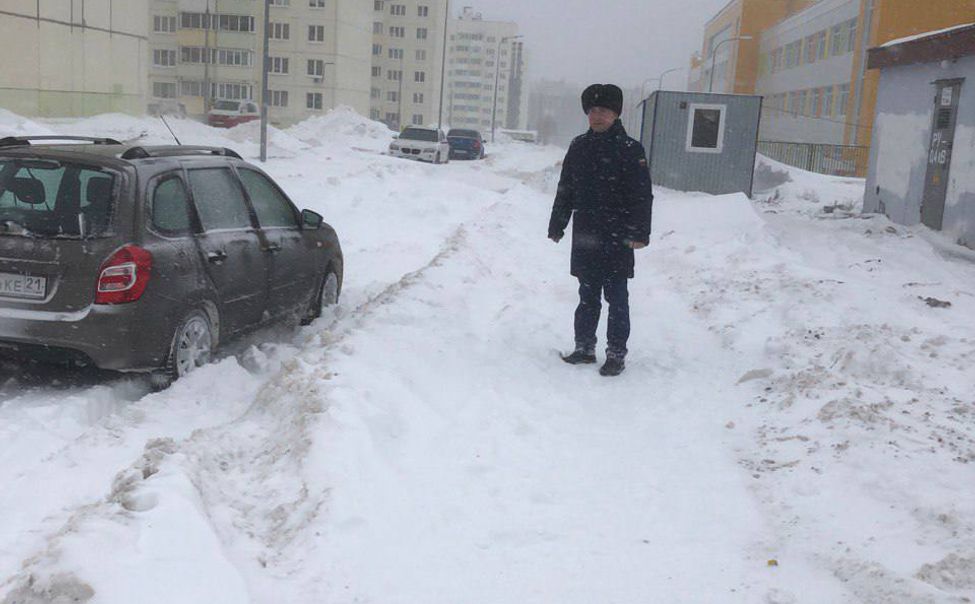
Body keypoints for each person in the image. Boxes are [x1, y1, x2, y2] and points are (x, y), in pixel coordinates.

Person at [547, 83, 654, 377]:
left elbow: (642, 195)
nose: (597, 115)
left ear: (615, 114)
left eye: (604, 110)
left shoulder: (631, 150)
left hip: (618, 235)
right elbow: (566, 188)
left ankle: (616, 353)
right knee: (587, 294)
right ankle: (584, 347)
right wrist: (558, 223)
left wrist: (639, 233)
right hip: (586, 233)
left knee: (617, 297)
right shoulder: (579, 146)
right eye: (593, 110)